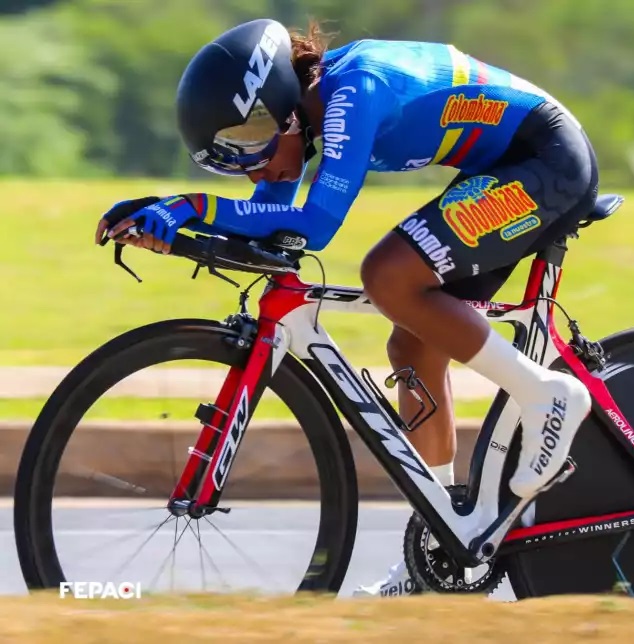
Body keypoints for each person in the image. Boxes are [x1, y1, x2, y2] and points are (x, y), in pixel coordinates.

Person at [95, 18, 597, 597]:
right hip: (503, 168)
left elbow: (315, 226)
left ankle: (549, 394)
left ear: (281, 108)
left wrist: (190, 205)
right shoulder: (301, 116)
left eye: (249, 143)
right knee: (411, 341)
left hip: (546, 161)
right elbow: (270, 223)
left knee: (388, 275)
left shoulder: (351, 93)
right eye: (233, 157)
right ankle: (440, 547)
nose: (253, 168)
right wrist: (168, 219)